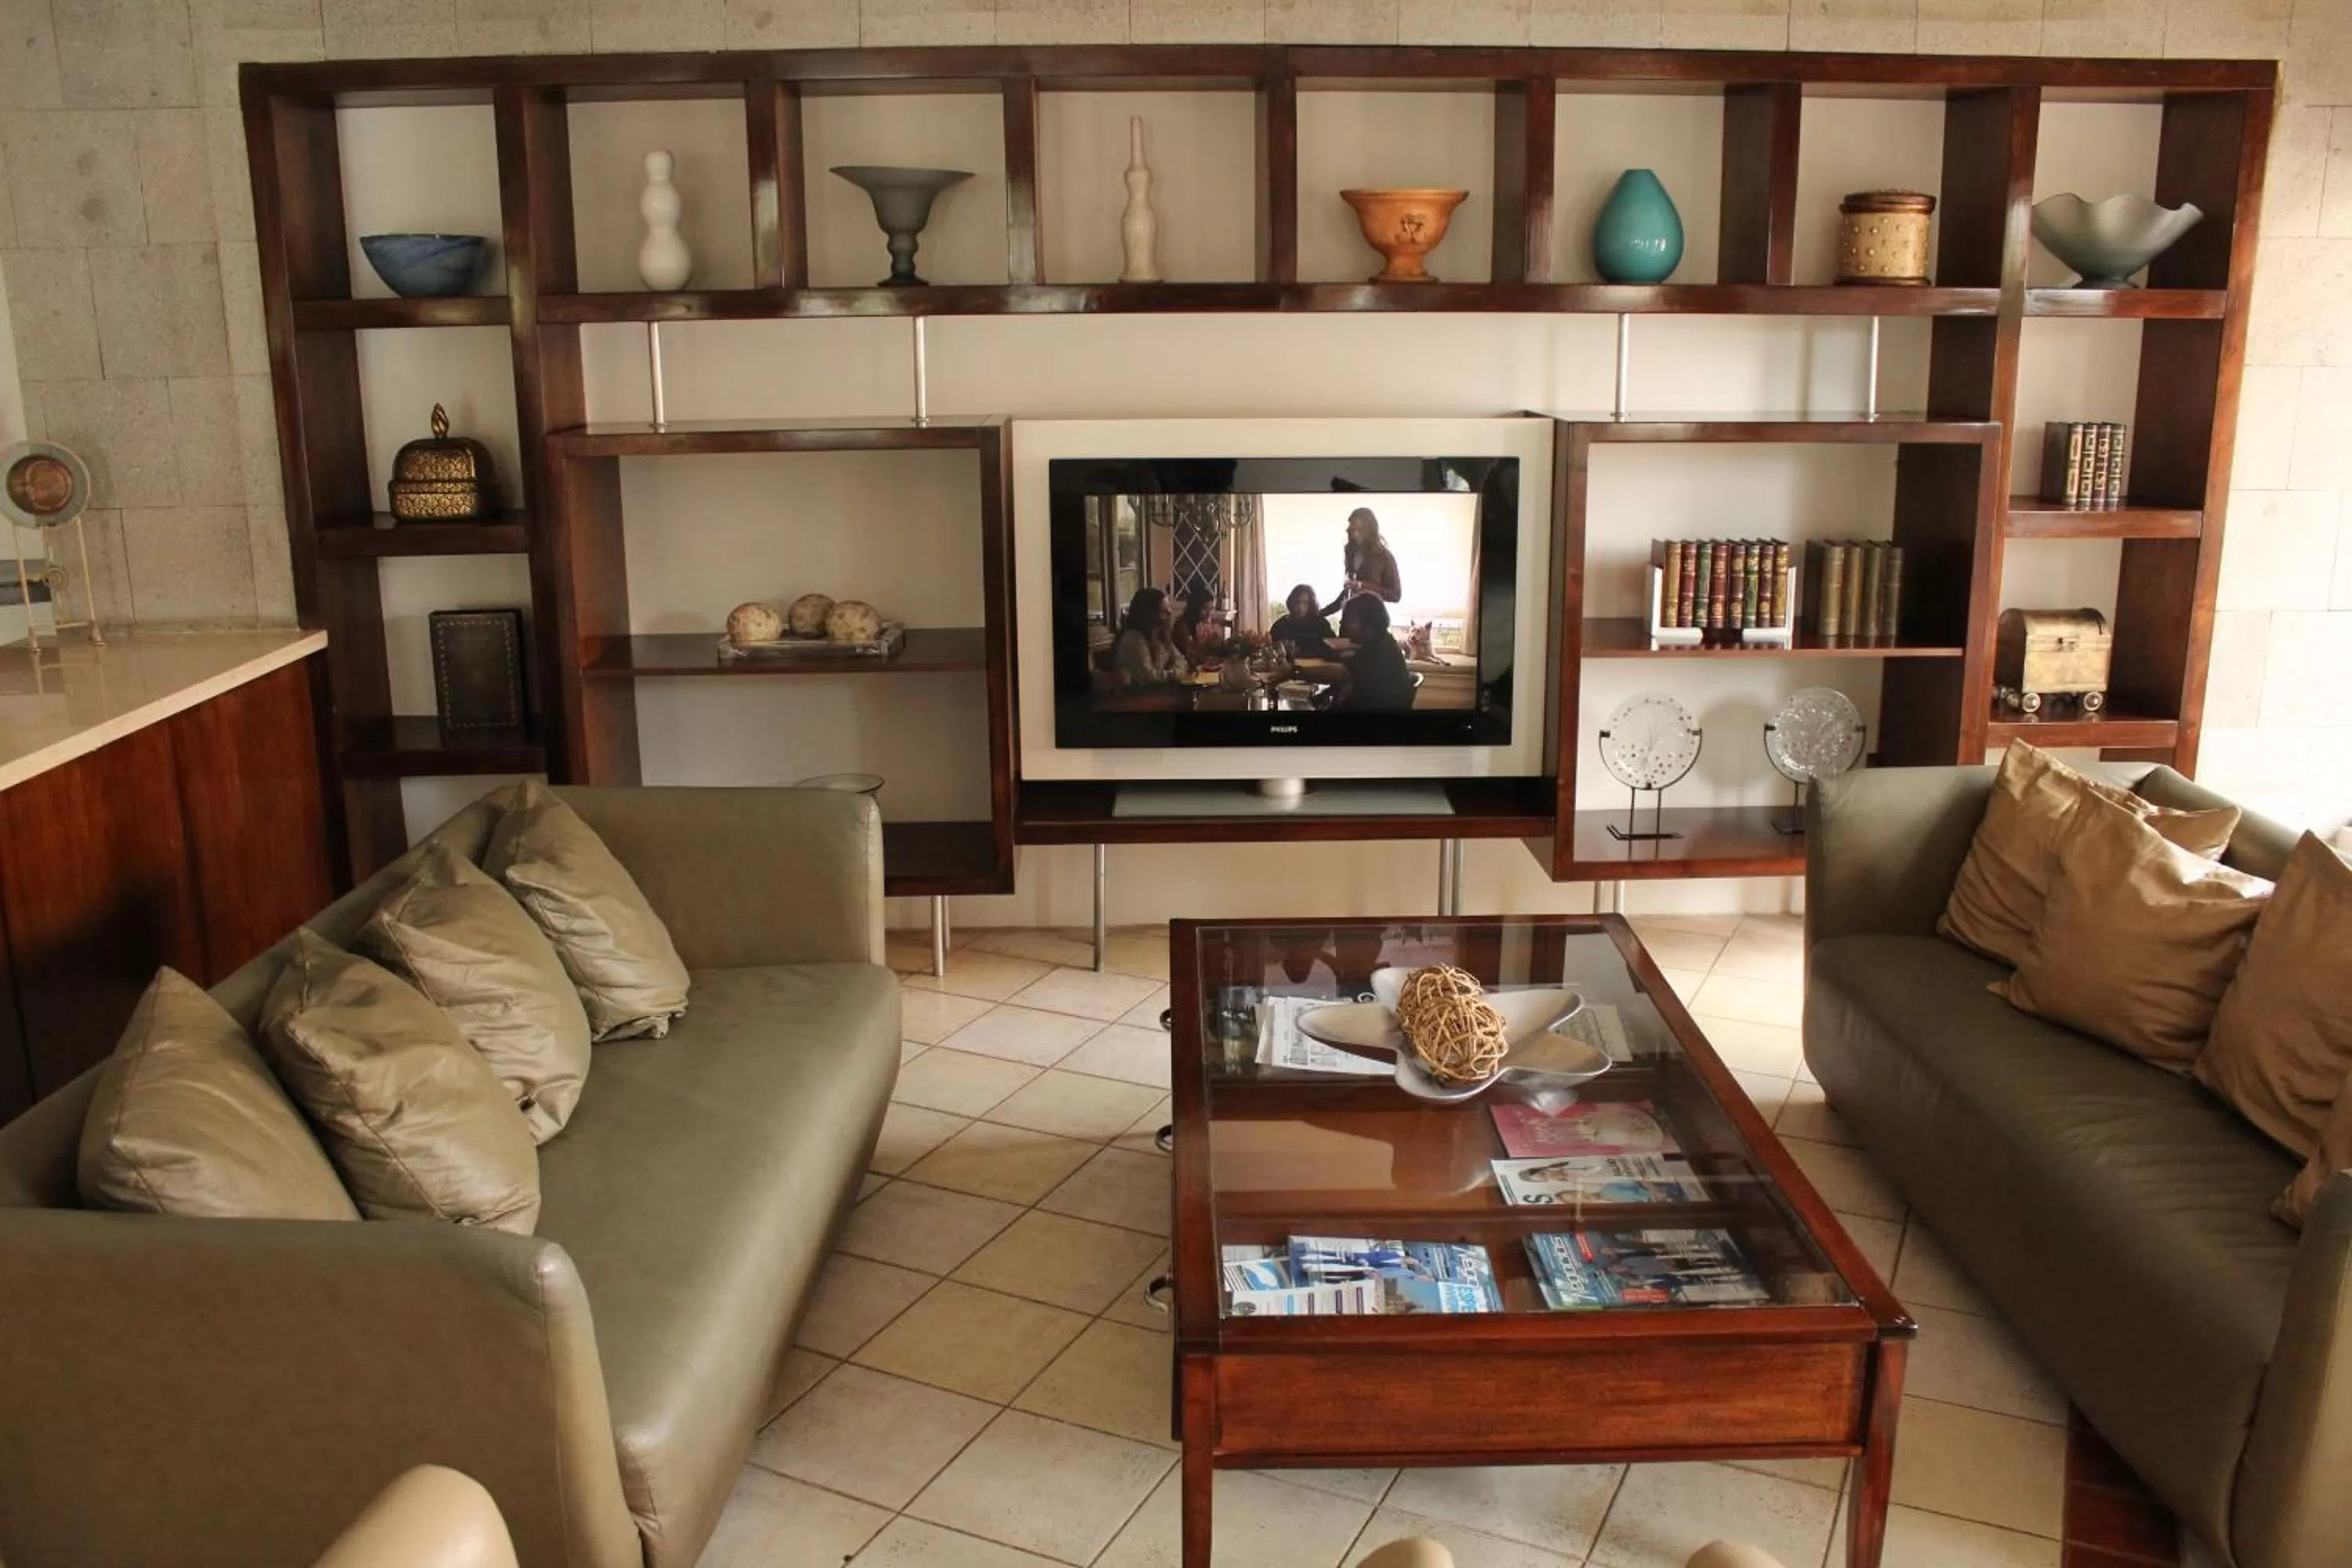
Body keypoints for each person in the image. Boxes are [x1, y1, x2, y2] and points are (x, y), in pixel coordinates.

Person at [1330, 596, 1414, 711]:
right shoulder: (1383, 642)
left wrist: (1299, 671)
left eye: (1350, 621)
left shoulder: (1378, 651)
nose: (1345, 625)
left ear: (1369, 623)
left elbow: (1339, 672)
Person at [1319, 506, 1403, 618]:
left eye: (1359, 530)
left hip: (1372, 623)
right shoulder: (1350, 552)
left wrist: (1362, 586)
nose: (1355, 534)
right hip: (1348, 621)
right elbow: (1347, 593)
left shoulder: (1384, 556)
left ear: (1370, 530)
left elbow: (1395, 595)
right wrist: (1320, 614)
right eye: (1353, 529)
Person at [1111, 587, 1188, 688]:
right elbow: (1148, 677)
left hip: (1156, 693)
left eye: (1169, 608)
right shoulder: (1133, 638)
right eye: (1164, 611)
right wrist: (1175, 674)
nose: (1170, 613)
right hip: (1135, 697)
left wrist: (1176, 671)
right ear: (1149, 614)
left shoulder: (1162, 636)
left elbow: (1181, 661)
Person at [1268, 583, 1334, 655]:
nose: (1300, 607)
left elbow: (1334, 646)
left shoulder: (1321, 624)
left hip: (1318, 665)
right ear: (1291, 603)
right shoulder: (1281, 625)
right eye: (1297, 602)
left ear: (1311, 604)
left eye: (1305, 603)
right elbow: (1270, 648)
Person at [1170, 584, 1217, 663]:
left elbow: (1211, 647)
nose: (1209, 614)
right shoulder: (1182, 626)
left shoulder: (1202, 622)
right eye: (1205, 609)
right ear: (1194, 607)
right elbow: (1191, 657)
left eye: (1211, 609)